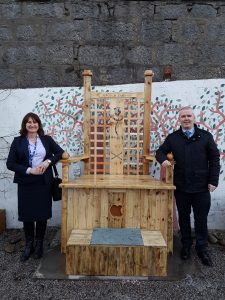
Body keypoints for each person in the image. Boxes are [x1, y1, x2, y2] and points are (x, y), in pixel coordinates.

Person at [156, 106, 220, 267]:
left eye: (189, 116)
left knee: (201, 219)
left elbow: (214, 159)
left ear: (194, 118)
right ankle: (186, 245)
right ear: (179, 119)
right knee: (184, 218)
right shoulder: (173, 138)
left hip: (202, 187)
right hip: (182, 187)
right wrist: (163, 160)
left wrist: (213, 181)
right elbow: (160, 152)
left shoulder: (205, 137)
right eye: (183, 116)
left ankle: (202, 248)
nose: (186, 118)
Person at [6, 112, 64, 262]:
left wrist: (48, 162)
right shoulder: (18, 142)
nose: (32, 124)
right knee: (28, 215)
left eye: (35, 122)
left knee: (42, 215)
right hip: (26, 183)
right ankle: (29, 245)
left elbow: (59, 152)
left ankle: (39, 245)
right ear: (24, 125)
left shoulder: (46, 140)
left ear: (39, 124)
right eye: (29, 122)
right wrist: (29, 170)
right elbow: (10, 164)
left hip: (43, 183)